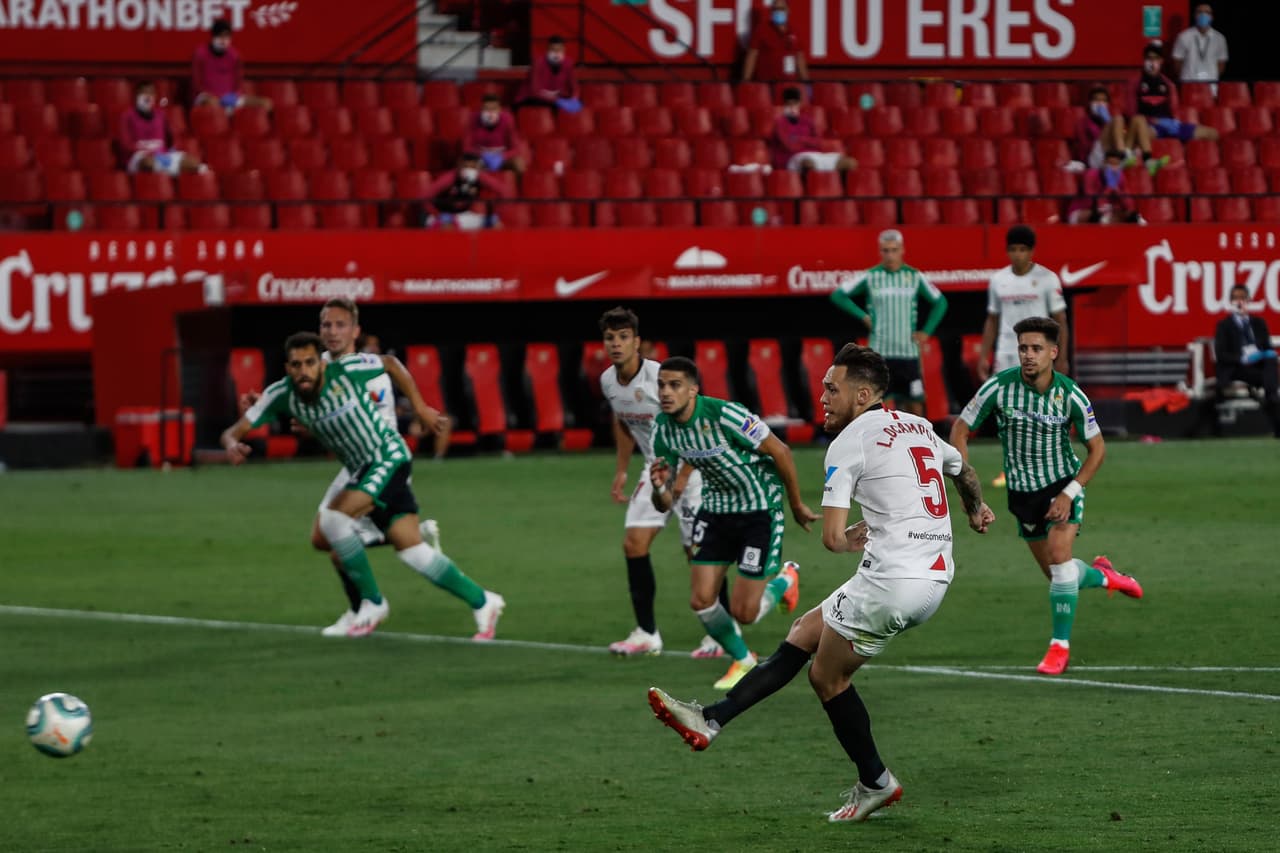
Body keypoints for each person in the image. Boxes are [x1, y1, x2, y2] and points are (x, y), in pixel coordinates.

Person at [648, 343, 995, 823]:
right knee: (803, 633)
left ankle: (876, 781)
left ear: (864, 394)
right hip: (933, 575)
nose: (823, 397)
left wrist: (850, 537)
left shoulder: (848, 443)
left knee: (826, 678)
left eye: (833, 389)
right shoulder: (918, 426)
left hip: (891, 582)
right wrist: (975, 508)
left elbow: (831, 540)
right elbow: (963, 468)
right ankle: (710, 719)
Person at [222, 331, 505, 641]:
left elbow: (391, 364)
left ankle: (372, 603)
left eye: (310, 363)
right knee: (412, 551)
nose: (303, 370)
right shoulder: (282, 394)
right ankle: (483, 601)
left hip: (388, 457)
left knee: (333, 520)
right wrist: (232, 442)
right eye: (295, 364)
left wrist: (421, 408)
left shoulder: (347, 371)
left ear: (322, 363)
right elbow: (235, 430)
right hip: (363, 468)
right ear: (287, 367)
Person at [951, 317, 1143, 676]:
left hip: (1061, 487)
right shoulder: (999, 388)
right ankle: (1105, 576)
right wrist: (967, 483)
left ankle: (1059, 648)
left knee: (1059, 559)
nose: (1028, 355)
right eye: (1023, 348)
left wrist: (1070, 494)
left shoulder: (1070, 394)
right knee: (1060, 577)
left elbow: (1097, 449)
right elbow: (960, 430)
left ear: (1053, 353)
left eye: (1036, 348)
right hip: (1023, 496)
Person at [648, 356, 818, 689]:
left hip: (758, 510)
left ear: (693, 389)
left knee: (745, 613)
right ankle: (744, 660)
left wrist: (795, 503)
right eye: (661, 385)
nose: (666, 392)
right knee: (700, 599)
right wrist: (658, 488)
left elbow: (780, 451)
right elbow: (664, 502)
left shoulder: (726, 414)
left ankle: (786, 579)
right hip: (715, 511)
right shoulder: (663, 429)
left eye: (675, 385)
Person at [598, 308, 723, 658]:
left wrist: (683, 477)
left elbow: (697, 421)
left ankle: (720, 634)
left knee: (698, 555)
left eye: (624, 337)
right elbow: (624, 422)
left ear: (637, 342)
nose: (616, 344)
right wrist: (623, 469)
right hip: (654, 471)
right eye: (610, 338)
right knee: (633, 544)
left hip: (693, 470)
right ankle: (646, 633)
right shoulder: (608, 381)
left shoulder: (661, 378)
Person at [978, 226, 1069, 488]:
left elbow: (1060, 319)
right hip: (1007, 352)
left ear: (1031, 251)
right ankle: (1010, 468)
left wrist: (1060, 355)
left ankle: (1048, 465)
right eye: (1013, 249)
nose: (1017, 255)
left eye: (1022, 250)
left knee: (1040, 409)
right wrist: (985, 354)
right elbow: (992, 320)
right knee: (1008, 414)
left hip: (1038, 354)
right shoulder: (998, 280)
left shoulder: (1047, 279)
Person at [830, 229, 947, 416]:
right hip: (879, 354)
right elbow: (838, 295)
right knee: (876, 405)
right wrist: (863, 316)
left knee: (915, 405)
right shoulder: (871, 276)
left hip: (908, 353)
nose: (890, 255)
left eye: (894, 250)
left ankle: (916, 442)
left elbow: (940, 302)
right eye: (885, 250)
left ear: (902, 250)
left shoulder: (914, 277)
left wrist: (927, 331)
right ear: (880, 252)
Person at [1212, 285, 1280, 437]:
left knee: (1270, 361)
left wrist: (1259, 354)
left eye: (1243, 298)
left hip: (1257, 367)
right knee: (1269, 379)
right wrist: (1242, 358)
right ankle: (1273, 401)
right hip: (1237, 368)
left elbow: (1267, 347)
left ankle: (1272, 397)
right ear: (1231, 302)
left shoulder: (1258, 323)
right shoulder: (1224, 325)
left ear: (1248, 300)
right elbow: (1221, 354)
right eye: (1236, 298)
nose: (1240, 302)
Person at [1129, 42, 1219, 146]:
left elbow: (1174, 110)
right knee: (1142, 136)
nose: (1152, 62)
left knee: (1212, 133)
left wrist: (1174, 123)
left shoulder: (1169, 84)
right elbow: (1132, 114)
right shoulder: (1134, 83)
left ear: (1161, 61)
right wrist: (1153, 121)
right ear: (1144, 61)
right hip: (1149, 126)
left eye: (1156, 59)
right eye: (1149, 58)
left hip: (1170, 125)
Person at [117, 81, 206, 175]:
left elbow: (170, 139)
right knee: (148, 163)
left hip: (161, 155)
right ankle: (166, 175)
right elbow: (125, 144)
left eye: (151, 93)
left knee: (193, 164)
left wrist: (168, 152)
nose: (147, 96)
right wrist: (146, 149)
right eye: (144, 93)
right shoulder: (126, 116)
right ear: (136, 96)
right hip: (139, 157)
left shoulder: (161, 115)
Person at [768, 87, 856, 174]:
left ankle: (835, 186)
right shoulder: (779, 123)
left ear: (799, 104)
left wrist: (798, 139)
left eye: (795, 104)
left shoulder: (807, 121)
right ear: (784, 105)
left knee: (850, 163)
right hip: (791, 158)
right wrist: (807, 140)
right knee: (809, 164)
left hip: (815, 155)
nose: (792, 107)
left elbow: (818, 142)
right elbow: (790, 146)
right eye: (788, 104)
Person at [191, 20, 272, 112]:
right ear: (213, 36)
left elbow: (238, 83)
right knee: (212, 103)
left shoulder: (235, 55)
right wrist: (212, 97)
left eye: (226, 37)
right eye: (220, 36)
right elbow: (197, 84)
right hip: (207, 97)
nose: (223, 40)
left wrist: (234, 97)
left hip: (230, 98)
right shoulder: (200, 54)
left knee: (265, 103)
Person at [423, 152, 513, 230]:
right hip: (442, 215)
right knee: (447, 225)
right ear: (459, 166)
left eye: (473, 167)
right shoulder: (449, 178)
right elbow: (425, 197)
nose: (469, 170)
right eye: (466, 166)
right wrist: (437, 214)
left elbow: (504, 191)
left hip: (463, 215)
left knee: (494, 222)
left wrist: (498, 212)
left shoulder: (480, 177)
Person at [741, 0, 809, 83]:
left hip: (789, 84)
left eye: (781, 9)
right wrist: (746, 81)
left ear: (788, 10)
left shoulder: (794, 32)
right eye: (775, 9)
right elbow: (752, 56)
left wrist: (806, 83)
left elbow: (799, 58)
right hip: (767, 85)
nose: (778, 12)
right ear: (771, 11)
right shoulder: (762, 30)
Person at [1067, 149, 1140, 224]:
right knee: (1101, 218)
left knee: (1134, 217)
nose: (1113, 168)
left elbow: (1129, 205)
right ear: (1104, 163)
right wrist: (1109, 188)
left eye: (1116, 164)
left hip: (1106, 211)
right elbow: (1094, 203)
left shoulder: (1120, 177)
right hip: (1083, 211)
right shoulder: (1091, 174)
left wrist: (1116, 189)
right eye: (1110, 163)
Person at [516, 35, 581, 112]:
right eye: (553, 50)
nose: (556, 53)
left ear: (564, 50)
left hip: (557, 98)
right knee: (548, 105)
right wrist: (555, 100)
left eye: (559, 50)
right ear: (547, 50)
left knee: (576, 106)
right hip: (533, 98)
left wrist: (574, 99)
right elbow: (534, 91)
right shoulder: (538, 63)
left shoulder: (569, 64)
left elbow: (575, 87)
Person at [464, 94, 526, 174]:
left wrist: (502, 156)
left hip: (502, 157)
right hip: (480, 157)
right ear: (481, 109)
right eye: (486, 109)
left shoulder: (508, 119)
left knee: (518, 163)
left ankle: (517, 186)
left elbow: (517, 148)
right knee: (468, 165)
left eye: (493, 109)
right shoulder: (473, 118)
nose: (490, 112)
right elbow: (466, 148)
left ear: (499, 109)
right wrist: (482, 154)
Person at [1171, 5, 1229, 85]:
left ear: (1212, 17)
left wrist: (1211, 75)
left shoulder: (1220, 38)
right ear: (1195, 16)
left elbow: (1221, 65)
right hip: (1188, 84)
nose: (1203, 15)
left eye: (1207, 12)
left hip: (1211, 85)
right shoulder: (1183, 36)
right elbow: (1177, 64)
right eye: (1200, 12)